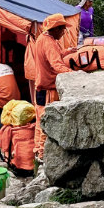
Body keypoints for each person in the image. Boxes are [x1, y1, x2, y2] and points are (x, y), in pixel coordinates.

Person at [30, 13, 71, 156]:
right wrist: (74, 74)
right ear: (56, 29)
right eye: (63, 29)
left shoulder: (46, 39)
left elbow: (55, 55)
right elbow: (56, 64)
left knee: (40, 122)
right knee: (46, 124)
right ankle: (42, 155)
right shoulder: (48, 42)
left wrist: (67, 52)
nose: (64, 33)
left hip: (42, 88)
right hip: (47, 89)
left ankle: (38, 151)